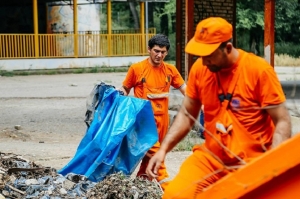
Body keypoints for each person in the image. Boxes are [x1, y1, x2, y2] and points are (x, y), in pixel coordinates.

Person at [146, 17, 291, 198]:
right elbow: (186, 114)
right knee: (175, 195)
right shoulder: (200, 68)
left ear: (228, 48)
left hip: (252, 161)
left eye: (208, 56)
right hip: (212, 158)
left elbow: (282, 121)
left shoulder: (258, 70)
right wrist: (163, 150)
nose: (204, 62)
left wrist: (271, 164)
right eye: (200, 55)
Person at [119, 34, 186, 189]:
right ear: (149, 49)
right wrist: (118, 92)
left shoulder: (170, 70)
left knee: (150, 158)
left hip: (163, 122)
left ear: (167, 53)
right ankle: (169, 189)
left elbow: (185, 90)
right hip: (144, 123)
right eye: (156, 51)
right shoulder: (137, 69)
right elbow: (126, 88)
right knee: (157, 155)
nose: (159, 55)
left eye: (163, 52)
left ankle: (140, 186)